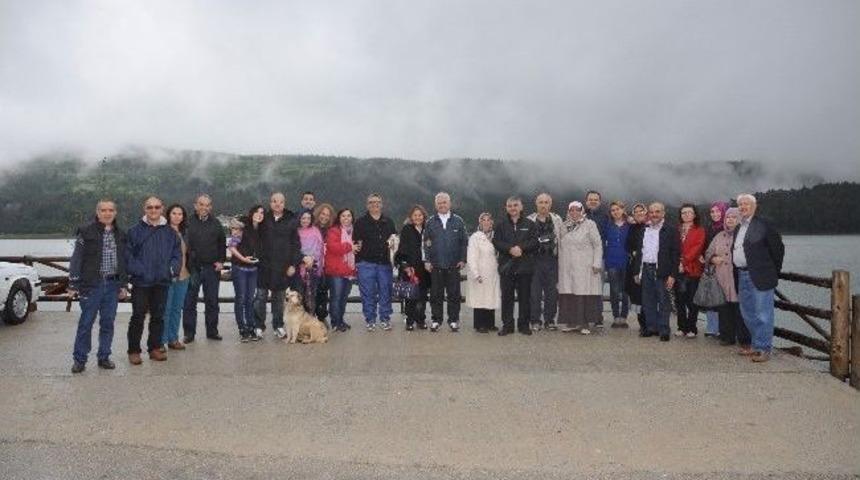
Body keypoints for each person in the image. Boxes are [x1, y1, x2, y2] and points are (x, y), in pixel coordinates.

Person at [69, 200, 129, 373]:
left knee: (108, 323)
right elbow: (77, 258)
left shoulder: (121, 234)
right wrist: (73, 283)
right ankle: (80, 359)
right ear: (97, 212)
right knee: (86, 323)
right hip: (91, 285)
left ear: (115, 212)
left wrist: (124, 284)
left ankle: (104, 356)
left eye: (111, 210)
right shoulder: (85, 232)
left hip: (112, 284)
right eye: (103, 210)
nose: (107, 213)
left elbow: (123, 262)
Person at [125, 196, 181, 364]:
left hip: (162, 281)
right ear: (144, 209)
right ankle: (134, 351)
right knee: (138, 317)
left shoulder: (171, 232)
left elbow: (176, 255)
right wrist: (140, 271)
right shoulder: (134, 231)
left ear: (162, 208)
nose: (153, 210)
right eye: (150, 207)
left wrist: (171, 270)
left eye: (157, 207)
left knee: (158, 316)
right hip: (141, 282)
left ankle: (154, 348)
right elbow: (128, 256)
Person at [733, 193, 784, 363]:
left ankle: (763, 348)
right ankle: (755, 345)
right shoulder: (739, 227)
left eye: (746, 204)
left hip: (761, 275)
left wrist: (773, 272)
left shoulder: (764, 224)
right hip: (742, 274)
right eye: (740, 205)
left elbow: (778, 249)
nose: (743, 207)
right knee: (747, 312)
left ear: (755, 206)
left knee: (763, 313)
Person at [254, 192, 301, 339]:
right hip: (264, 265)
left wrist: (293, 264)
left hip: (282, 266)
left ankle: (278, 326)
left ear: (284, 203)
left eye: (280, 202)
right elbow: (253, 235)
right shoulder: (264, 218)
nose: (277, 204)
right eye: (274, 201)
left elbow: (296, 244)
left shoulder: (291, 219)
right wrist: (255, 224)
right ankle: (258, 326)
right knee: (260, 297)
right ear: (270, 203)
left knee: (278, 299)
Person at [704, 207, 751, 349]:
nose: (730, 220)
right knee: (724, 309)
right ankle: (726, 336)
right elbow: (707, 253)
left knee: (741, 309)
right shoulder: (719, 236)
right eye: (728, 217)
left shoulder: (744, 235)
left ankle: (744, 339)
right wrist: (713, 258)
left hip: (738, 277)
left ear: (739, 219)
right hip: (721, 278)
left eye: (733, 217)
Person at [182, 194, 226, 343]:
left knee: (212, 301)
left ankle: (212, 331)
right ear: (195, 205)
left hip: (211, 268)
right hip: (192, 268)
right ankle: (189, 333)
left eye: (207, 205)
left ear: (211, 207)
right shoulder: (187, 222)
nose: (204, 208)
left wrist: (221, 261)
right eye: (201, 204)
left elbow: (222, 243)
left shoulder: (216, 223)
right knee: (189, 302)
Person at [492, 196, 538, 336]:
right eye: (510, 206)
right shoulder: (500, 225)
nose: (513, 208)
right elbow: (496, 242)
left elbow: (535, 242)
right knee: (507, 298)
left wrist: (521, 248)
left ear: (521, 207)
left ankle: (524, 325)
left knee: (525, 298)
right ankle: (507, 326)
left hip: (525, 267)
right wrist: (510, 249)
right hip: (507, 268)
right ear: (506, 208)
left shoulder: (530, 224)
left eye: (515, 205)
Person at [423, 192, 468, 332]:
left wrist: (462, 259)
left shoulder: (458, 221)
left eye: (444, 202)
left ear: (450, 204)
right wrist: (428, 260)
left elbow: (463, 242)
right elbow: (426, 243)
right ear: (435, 205)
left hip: (453, 265)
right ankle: (436, 320)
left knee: (454, 294)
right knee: (436, 295)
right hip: (436, 265)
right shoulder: (430, 222)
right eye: (439, 203)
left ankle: (453, 320)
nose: (442, 205)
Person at [352, 193, 398, 331]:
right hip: (366, 264)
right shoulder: (360, 222)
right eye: (371, 202)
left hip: (384, 264)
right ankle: (370, 319)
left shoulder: (389, 221)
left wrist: (393, 245)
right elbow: (355, 243)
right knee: (367, 293)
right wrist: (358, 262)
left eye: (377, 202)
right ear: (367, 205)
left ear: (381, 204)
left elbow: (394, 240)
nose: (375, 204)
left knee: (386, 292)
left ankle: (385, 319)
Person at [557, 201, 603, 334]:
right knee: (569, 294)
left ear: (582, 210)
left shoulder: (590, 225)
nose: (574, 212)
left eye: (577, 210)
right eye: (571, 210)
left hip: (585, 266)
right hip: (567, 266)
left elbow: (598, 245)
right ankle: (571, 323)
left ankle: (584, 324)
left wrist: (596, 263)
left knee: (583, 294)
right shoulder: (564, 226)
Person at [636, 202, 680, 342]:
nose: (654, 214)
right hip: (645, 268)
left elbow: (675, 254)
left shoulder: (671, 229)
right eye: (652, 212)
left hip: (661, 270)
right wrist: (637, 271)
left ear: (663, 213)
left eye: (657, 212)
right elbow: (639, 252)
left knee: (663, 301)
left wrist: (673, 275)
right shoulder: (644, 229)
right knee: (648, 300)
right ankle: (651, 328)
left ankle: (664, 329)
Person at [526, 193, 563, 331]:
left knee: (552, 293)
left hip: (552, 260)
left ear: (550, 204)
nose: (543, 205)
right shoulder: (529, 219)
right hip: (534, 260)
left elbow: (562, 239)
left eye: (546, 202)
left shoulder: (557, 219)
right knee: (534, 293)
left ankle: (549, 320)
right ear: (536, 204)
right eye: (540, 202)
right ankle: (535, 320)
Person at [394, 205, 431, 330]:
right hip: (411, 270)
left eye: (420, 215)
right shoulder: (407, 229)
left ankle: (420, 320)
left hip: (425, 270)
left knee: (422, 297)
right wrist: (406, 266)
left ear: (424, 216)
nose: (418, 217)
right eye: (415, 215)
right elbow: (402, 249)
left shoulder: (428, 229)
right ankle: (409, 321)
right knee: (410, 297)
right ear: (411, 217)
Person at [228, 210, 262, 342]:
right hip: (240, 269)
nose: (259, 215)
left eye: (261, 213)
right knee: (241, 299)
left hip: (253, 269)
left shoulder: (259, 230)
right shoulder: (241, 229)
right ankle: (242, 329)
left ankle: (251, 327)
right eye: (257, 212)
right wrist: (243, 259)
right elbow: (231, 246)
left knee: (250, 299)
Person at [161, 204, 191, 351]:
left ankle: (173, 338)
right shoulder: (162, 232)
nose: (177, 216)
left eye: (180, 214)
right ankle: (161, 341)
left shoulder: (185, 232)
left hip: (184, 276)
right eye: (174, 213)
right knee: (165, 309)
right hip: (167, 277)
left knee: (176, 309)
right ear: (168, 215)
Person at [324, 208, 359, 332]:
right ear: (339, 218)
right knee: (336, 297)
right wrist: (350, 246)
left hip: (349, 271)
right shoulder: (333, 231)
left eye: (348, 216)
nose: (346, 218)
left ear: (352, 218)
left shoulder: (354, 232)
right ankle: (335, 322)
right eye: (343, 216)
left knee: (343, 298)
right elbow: (333, 247)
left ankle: (340, 320)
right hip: (336, 271)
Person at [675, 203, 706, 338]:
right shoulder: (676, 229)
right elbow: (672, 247)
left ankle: (692, 328)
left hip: (693, 269)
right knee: (679, 300)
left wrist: (683, 262)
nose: (686, 215)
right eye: (683, 213)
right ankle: (681, 327)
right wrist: (677, 263)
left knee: (692, 300)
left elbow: (697, 249)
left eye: (689, 212)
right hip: (677, 269)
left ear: (694, 214)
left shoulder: (699, 230)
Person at [466, 212, 501, 333]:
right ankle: (480, 324)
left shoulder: (496, 237)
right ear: (479, 222)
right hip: (480, 272)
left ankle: (490, 323)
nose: (486, 222)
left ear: (492, 222)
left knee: (490, 297)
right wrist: (476, 273)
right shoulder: (475, 237)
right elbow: (471, 257)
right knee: (480, 298)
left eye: (488, 220)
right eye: (483, 220)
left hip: (493, 273)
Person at [703, 201, 729, 337]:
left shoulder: (728, 228)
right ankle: (712, 327)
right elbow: (704, 247)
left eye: (718, 211)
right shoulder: (708, 228)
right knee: (711, 297)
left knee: (724, 298)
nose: (715, 214)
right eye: (712, 212)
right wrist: (706, 258)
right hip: (710, 267)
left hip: (725, 268)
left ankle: (723, 328)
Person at [604, 201, 631, 328]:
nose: (615, 212)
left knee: (626, 291)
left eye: (618, 209)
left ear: (623, 210)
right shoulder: (607, 225)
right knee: (614, 290)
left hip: (627, 262)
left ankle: (624, 317)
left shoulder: (630, 225)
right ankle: (616, 316)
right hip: (612, 261)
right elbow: (603, 241)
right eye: (613, 210)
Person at [625, 203, 648, 334]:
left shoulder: (651, 226)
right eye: (636, 211)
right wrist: (634, 252)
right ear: (633, 214)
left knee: (648, 295)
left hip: (649, 265)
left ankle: (651, 322)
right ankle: (642, 324)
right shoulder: (632, 228)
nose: (639, 213)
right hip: (635, 266)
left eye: (641, 211)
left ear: (646, 213)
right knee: (637, 295)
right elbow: (627, 245)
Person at [297, 210, 325, 314]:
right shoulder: (295, 231)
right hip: (298, 268)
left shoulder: (315, 231)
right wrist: (303, 258)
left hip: (313, 268)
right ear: (299, 218)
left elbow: (320, 248)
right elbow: (293, 248)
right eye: (303, 218)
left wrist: (312, 259)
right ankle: (299, 323)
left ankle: (310, 321)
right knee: (299, 296)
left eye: (308, 218)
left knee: (311, 296)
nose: (306, 220)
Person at [313, 203, 335, 323]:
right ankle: (310, 318)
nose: (325, 217)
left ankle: (321, 318)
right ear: (318, 213)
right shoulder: (311, 227)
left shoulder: (331, 231)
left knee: (323, 293)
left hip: (326, 267)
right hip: (313, 266)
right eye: (323, 213)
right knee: (311, 293)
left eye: (328, 215)